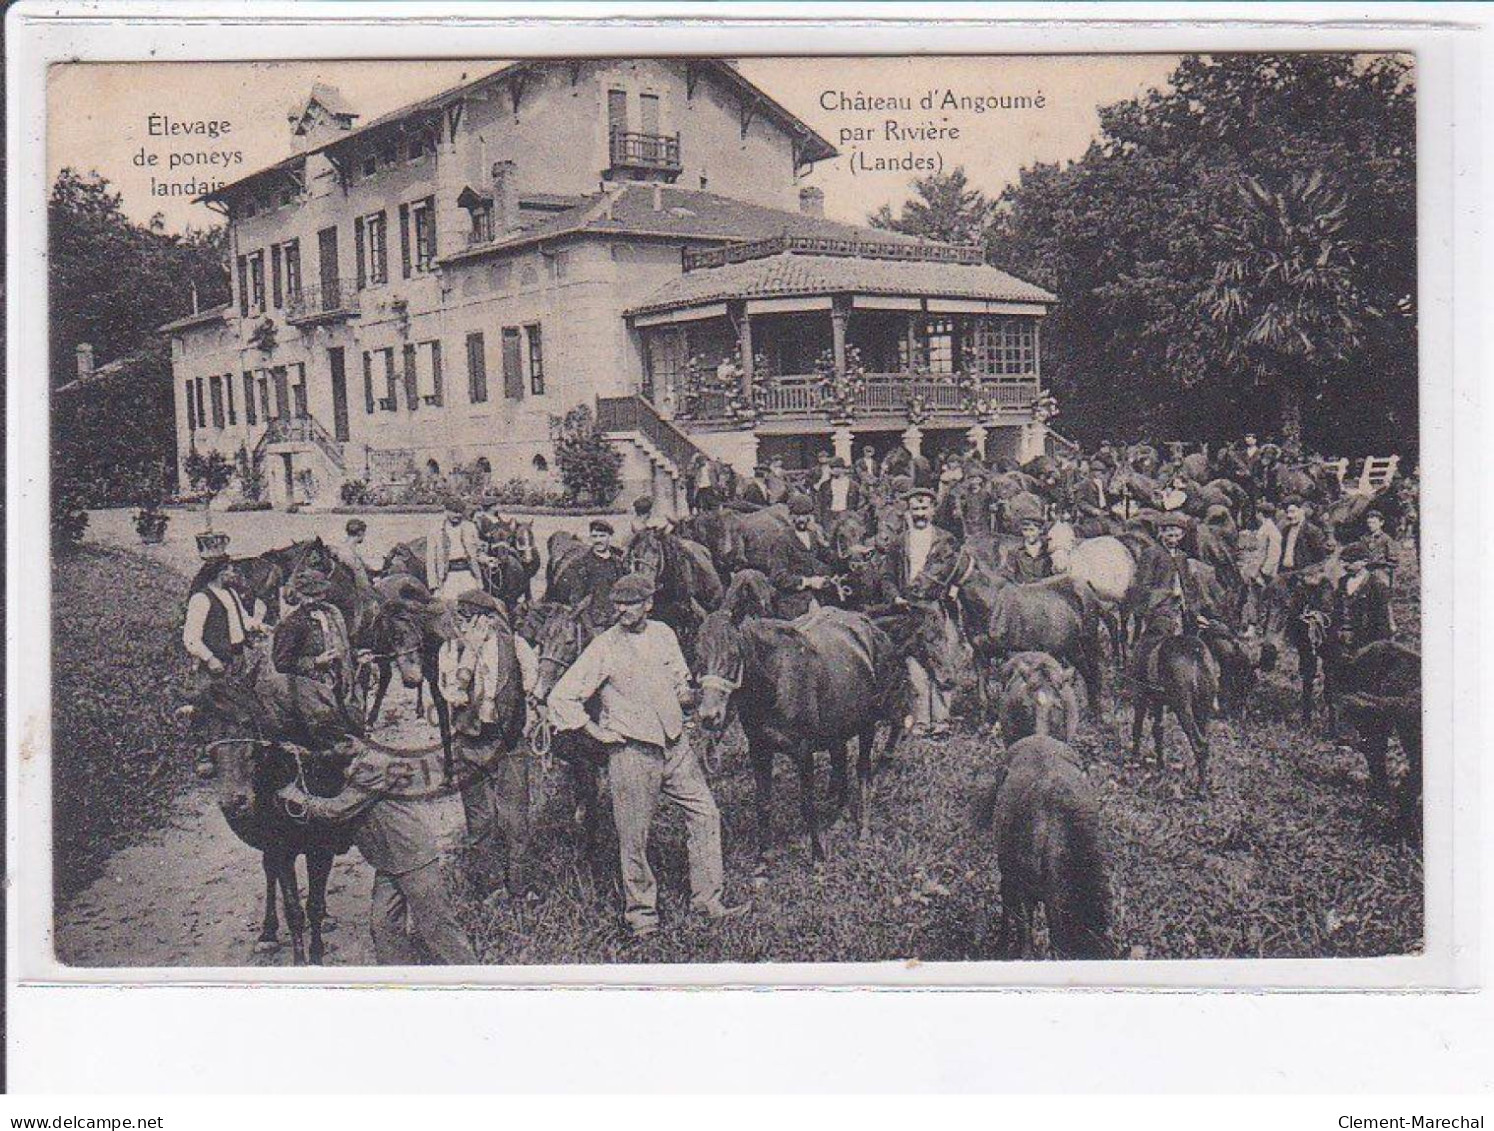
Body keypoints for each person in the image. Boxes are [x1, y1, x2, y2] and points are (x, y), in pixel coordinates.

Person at [546, 572, 746, 939]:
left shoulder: (664, 634)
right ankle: (642, 916)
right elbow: (561, 696)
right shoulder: (605, 646)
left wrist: (690, 699)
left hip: (675, 747)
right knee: (633, 837)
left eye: (631, 602)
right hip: (632, 751)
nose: (622, 609)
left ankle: (707, 900)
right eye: (618, 603)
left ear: (648, 604)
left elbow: (678, 679)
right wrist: (596, 732)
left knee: (705, 814)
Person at [277, 737, 478, 965]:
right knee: (384, 928)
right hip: (388, 864)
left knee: (438, 929)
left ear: (353, 743)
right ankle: (399, 982)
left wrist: (298, 798)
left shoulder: (371, 770)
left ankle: (472, 981)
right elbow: (326, 755)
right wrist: (301, 751)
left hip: (413, 859)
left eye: (333, 744)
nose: (328, 751)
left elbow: (336, 811)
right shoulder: (353, 763)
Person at [439, 588, 535, 905]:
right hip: (470, 744)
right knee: (480, 822)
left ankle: (519, 887)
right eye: (461, 619)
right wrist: (470, 654)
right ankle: (490, 888)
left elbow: (533, 685)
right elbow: (454, 695)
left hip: (508, 744)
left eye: (471, 619)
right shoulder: (450, 651)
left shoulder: (516, 647)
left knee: (515, 820)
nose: (464, 626)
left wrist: (528, 712)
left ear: (489, 619)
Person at [182, 550, 267, 776]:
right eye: (229, 569)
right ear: (219, 572)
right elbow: (190, 637)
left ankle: (235, 753)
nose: (233, 573)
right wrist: (209, 658)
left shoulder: (231, 593)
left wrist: (257, 625)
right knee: (208, 707)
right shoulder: (201, 599)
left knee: (235, 706)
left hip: (236, 658)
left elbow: (241, 622)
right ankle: (203, 754)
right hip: (215, 663)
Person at [886, 487, 961, 736]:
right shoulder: (899, 542)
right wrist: (894, 596)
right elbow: (886, 577)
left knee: (941, 662)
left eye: (924, 508)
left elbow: (957, 570)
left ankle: (941, 720)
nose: (920, 514)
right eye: (915, 509)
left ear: (932, 510)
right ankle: (920, 720)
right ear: (909, 511)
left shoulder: (946, 539)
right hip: (908, 609)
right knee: (915, 665)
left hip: (936, 607)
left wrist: (953, 590)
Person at [272, 569, 354, 707]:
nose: (319, 598)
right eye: (312, 595)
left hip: (337, 685)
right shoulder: (292, 624)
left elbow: (341, 644)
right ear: (300, 595)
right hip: (307, 694)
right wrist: (315, 661)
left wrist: (356, 655)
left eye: (321, 594)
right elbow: (281, 663)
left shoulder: (331, 614)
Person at [769, 493, 841, 619]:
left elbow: (828, 559)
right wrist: (809, 582)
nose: (801, 519)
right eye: (797, 515)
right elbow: (778, 577)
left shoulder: (813, 536)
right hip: (792, 602)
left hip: (816, 597)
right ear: (791, 517)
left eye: (805, 515)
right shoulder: (782, 540)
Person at [547, 518, 626, 610]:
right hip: (589, 617)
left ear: (610, 537)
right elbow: (575, 600)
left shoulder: (618, 564)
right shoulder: (579, 565)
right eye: (595, 536)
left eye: (602, 536)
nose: (598, 540)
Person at [1333, 543, 1393, 654]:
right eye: (1343, 561)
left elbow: (1382, 618)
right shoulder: (1342, 582)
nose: (1346, 565)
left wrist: (1380, 643)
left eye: (1351, 561)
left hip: (1367, 638)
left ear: (1364, 561)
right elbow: (1337, 609)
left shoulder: (1376, 585)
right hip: (1343, 638)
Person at [426, 496, 484, 600]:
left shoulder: (470, 527)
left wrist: (487, 560)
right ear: (446, 511)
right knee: (450, 607)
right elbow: (430, 560)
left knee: (473, 606)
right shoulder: (435, 531)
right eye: (453, 512)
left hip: (468, 573)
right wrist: (434, 586)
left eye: (459, 512)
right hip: (447, 576)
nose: (457, 515)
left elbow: (478, 552)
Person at [1278, 496, 1331, 574]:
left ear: (1301, 511)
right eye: (1287, 512)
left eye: (1293, 512)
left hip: (1303, 573)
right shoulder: (1286, 530)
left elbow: (1320, 558)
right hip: (1286, 572)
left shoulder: (1312, 531)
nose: (1289, 516)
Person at [1002, 515, 1053, 583]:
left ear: (1040, 530)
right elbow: (1009, 575)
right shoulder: (1015, 552)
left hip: (1043, 590)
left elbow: (1050, 576)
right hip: (1022, 591)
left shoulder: (1046, 551)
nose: (1028, 534)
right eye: (1025, 530)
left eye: (1032, 530)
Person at [817, 457, 861, 528]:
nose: (834, 470)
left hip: (847, 516)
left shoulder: (853, 485)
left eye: (837, 467)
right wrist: (821, 518)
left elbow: (859, 502)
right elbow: (819, 502)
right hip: (830, 517)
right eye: (832, 468)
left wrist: (853, 515)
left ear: (843, 468)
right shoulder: (825, 485)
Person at [335, 518, 378, 588]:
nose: (364, 536)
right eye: (364, 533)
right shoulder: (349, 553)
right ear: (360, 533)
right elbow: (361, 580)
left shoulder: (342, 548)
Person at [1361, 509, 1398, 588]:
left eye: (1373, 523)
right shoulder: (1364, 538)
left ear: (1381, 523)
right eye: (1369, 523)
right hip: (1364, 570)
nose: (1370, 525)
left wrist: (1379, 562)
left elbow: (1393, 561)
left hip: (1381, 571)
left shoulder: (1386, 539)